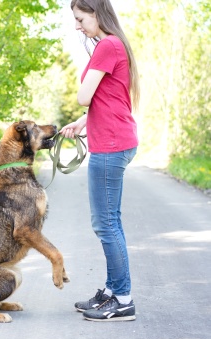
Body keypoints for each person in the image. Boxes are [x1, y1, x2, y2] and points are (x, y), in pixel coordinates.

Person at [60, 0, 140, 322]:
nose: (78, 27)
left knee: (105, 224)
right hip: (113, 140)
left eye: (80, 19)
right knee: (111, 221)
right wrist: (83, 121)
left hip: (109, 146)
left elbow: (85, 94)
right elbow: (109, 95)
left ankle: (122, 299)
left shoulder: (107, 45)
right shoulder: (113, 44)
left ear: (96, 13)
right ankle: (111, 291)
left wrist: (84, 105)